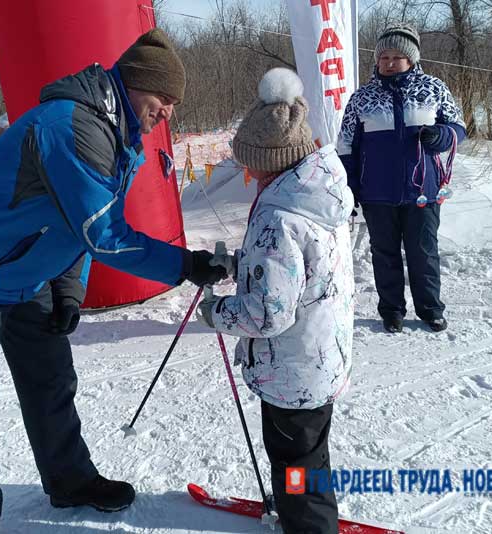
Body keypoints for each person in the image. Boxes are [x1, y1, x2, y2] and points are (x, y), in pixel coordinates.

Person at [0, 28, 226, 533]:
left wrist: (68, 288)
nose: (168, 113)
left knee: (51, 382)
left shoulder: (117, 132)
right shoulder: (71, 126)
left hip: (25, 272)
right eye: (164, 100)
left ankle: (70, 481)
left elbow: (72, 222)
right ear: (136, 85)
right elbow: (104, 233)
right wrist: (184, 265)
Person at [197, 68, 354, 534]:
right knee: (307, 454)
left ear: (272, 162)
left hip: (291, 370)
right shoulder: (317, 194)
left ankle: (308, 521)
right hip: (319, 357)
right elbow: (303, 272)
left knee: (294, 457)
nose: (246, 175)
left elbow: (267, 314)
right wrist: (239, 265)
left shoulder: (279, 217)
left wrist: (216, 312)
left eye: (251, 166)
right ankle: (301, 504)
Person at [337, 23, 466, 334]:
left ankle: (430, 310)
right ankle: (392, 311)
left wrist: (442, 136)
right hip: (377, 193)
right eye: (384, 57)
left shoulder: (433, 89)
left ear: (411, 59)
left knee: (424, 253)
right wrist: (350, 188)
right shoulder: (362, 98)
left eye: (397, 57)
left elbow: (458, 128)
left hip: (424, 191)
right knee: (385, 255)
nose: (389, 63)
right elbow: (346, 146)